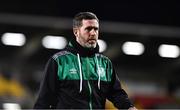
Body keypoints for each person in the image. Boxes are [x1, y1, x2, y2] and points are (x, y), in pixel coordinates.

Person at [34, 12, 137, 110]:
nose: (93, 33)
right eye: (88, 29)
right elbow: (44, 100)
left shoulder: (105, 63)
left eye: (96, 29)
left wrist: (129, 107)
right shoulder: (59, 61)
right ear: (76, 32)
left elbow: (116, 93)